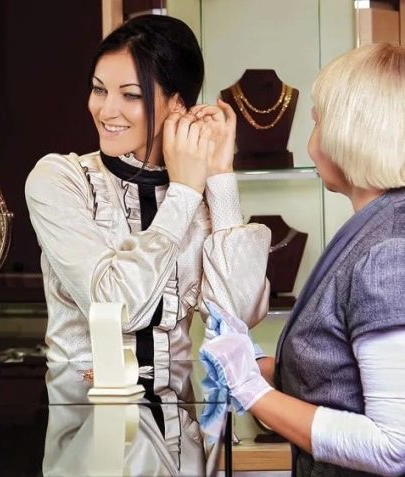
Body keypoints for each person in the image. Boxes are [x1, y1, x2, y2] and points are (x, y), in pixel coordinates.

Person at [25, 13, 271, 377]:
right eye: (99, 89)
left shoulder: (199, 194)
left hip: (181, 408)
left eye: (131, 95)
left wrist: (220, 175)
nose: (106, 110)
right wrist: (183, 194)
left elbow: (237, 317)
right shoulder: (60, 180)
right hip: (84, 406)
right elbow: (116, 310)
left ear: (178, 104)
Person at [200, 43, 405, 476]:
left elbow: (393, 447)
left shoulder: (388, 253)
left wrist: (251, 390)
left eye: (317, 121)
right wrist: (258, 363)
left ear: (349, 132)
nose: (310, 144)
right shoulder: (375, 229)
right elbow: (342, 378)